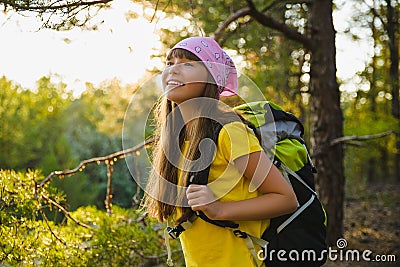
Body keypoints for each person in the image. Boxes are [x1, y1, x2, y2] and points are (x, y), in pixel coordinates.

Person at [143, 36, 297, 267]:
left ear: (210, 77)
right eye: (169, 63)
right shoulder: (177, 139)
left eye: (187, 64)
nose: (173, 70)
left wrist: (220, 209)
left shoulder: (229, 132)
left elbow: (286, 199)